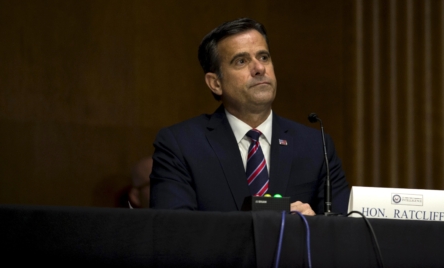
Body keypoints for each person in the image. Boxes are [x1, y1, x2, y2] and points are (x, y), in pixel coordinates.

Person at [150, 18, 350, 215]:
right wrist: (270, 225)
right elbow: (173, 231)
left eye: (264, 57)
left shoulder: (315, 145)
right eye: (241, 61)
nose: (259, 68)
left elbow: (343, 229)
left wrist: (311, 227)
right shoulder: (180, 144)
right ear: (215, 83)